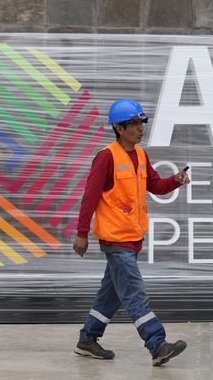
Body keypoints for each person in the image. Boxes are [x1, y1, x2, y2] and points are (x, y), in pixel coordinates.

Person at [73, 99, 190, 367]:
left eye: (141, 123)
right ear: (119, 127)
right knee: (135, 294)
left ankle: (87, 340)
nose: (140, 129)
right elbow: (89, 197)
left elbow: (155, 186)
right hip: (115, 239)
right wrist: (82, 233)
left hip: (133, 238)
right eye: (135, 124)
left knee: (111, 293)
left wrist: (174, 181)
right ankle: (157, 344)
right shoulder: (106, 157)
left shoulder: (140, 156)